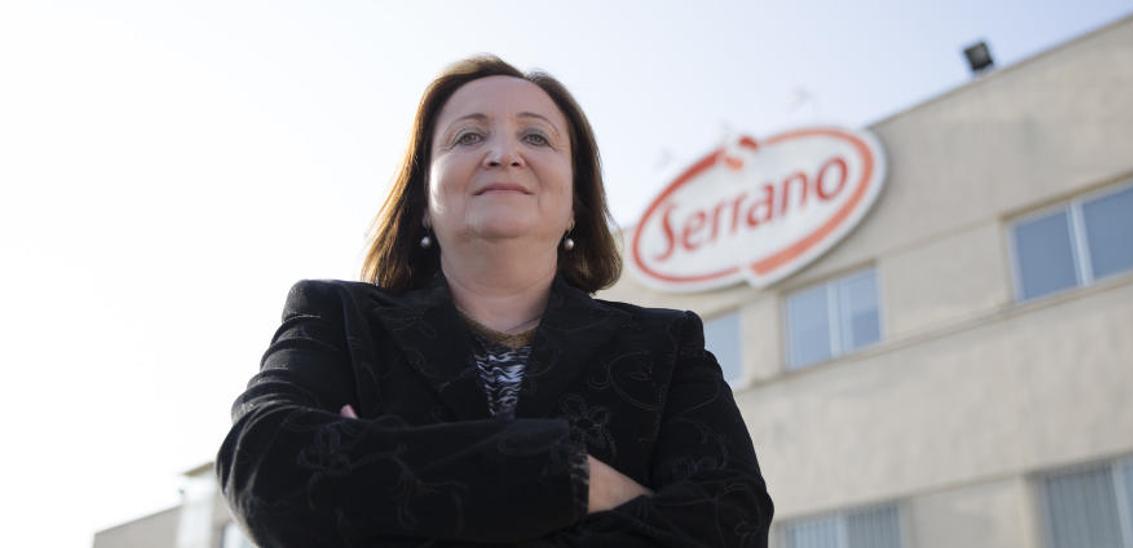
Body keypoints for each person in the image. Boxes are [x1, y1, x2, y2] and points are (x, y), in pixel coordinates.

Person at [216, 55, 773, 547]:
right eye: (467, 137)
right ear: (423, 200)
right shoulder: (334, 319)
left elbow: (732, 526)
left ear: (577, 202)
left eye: (536, 137)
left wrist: (379, 488)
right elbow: (264, 465)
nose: (504, 154)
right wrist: (569, 477)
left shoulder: (666, 346)